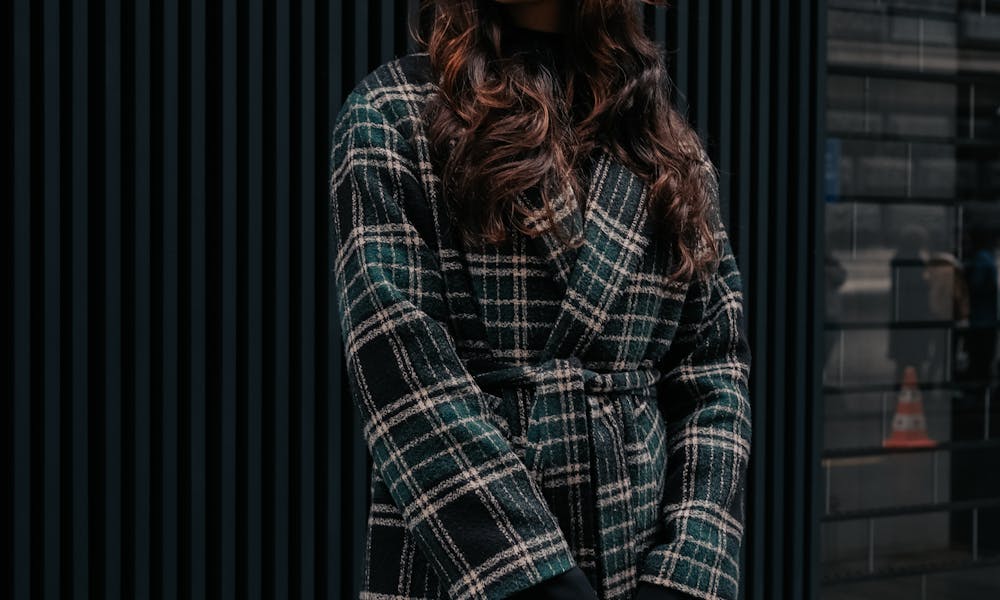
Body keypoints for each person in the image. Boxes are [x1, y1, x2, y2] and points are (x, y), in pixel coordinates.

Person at [328, 1, 752, 598]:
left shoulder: (665, 146)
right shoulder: (392, 117)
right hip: (466, 562)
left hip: (640, 562)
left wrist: (690, 565)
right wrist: (535, 575)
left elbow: (712, 368)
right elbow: (401, 368)